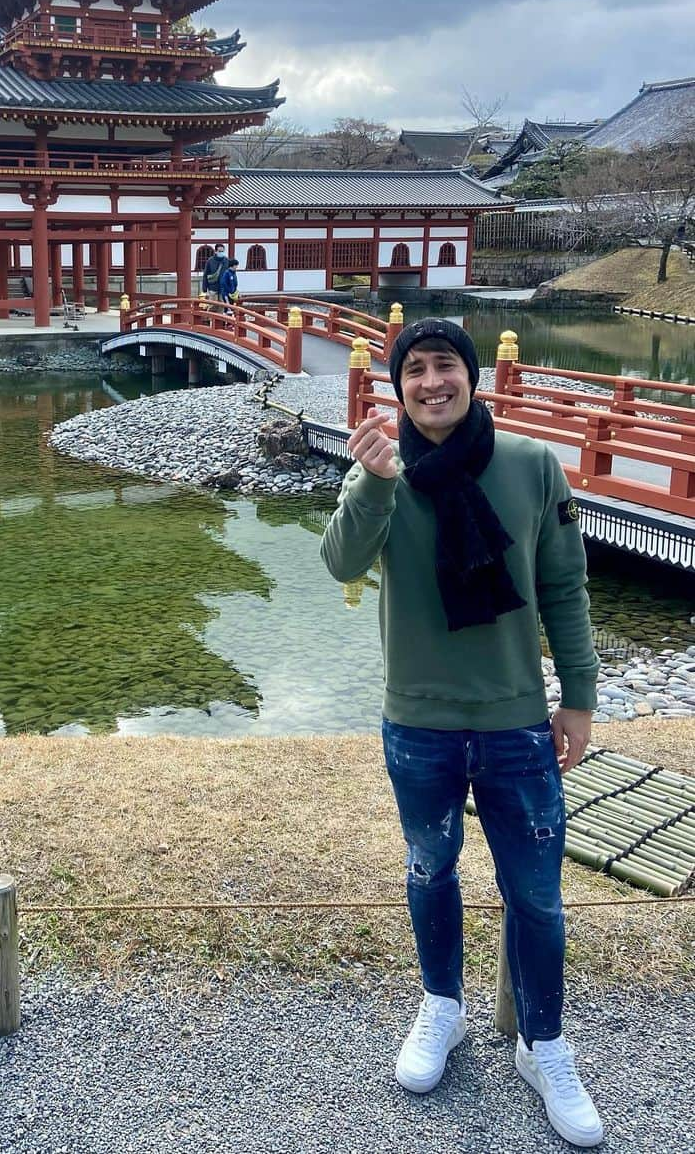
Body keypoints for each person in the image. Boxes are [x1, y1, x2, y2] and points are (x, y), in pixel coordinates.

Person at [320, 318, 603, 1149]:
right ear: (398, 386)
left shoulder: (531, 466)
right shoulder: (382, 468)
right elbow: (340, 563)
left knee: (538, 894)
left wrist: (578, 697)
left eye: (447, 367)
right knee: (429, 867)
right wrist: (370, 482)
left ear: (472, 378)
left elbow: (565, 590)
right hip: (419, 720)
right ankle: (441, 1006)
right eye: (416, 371)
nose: (431, 383)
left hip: (516, 718)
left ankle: (544, 1044)